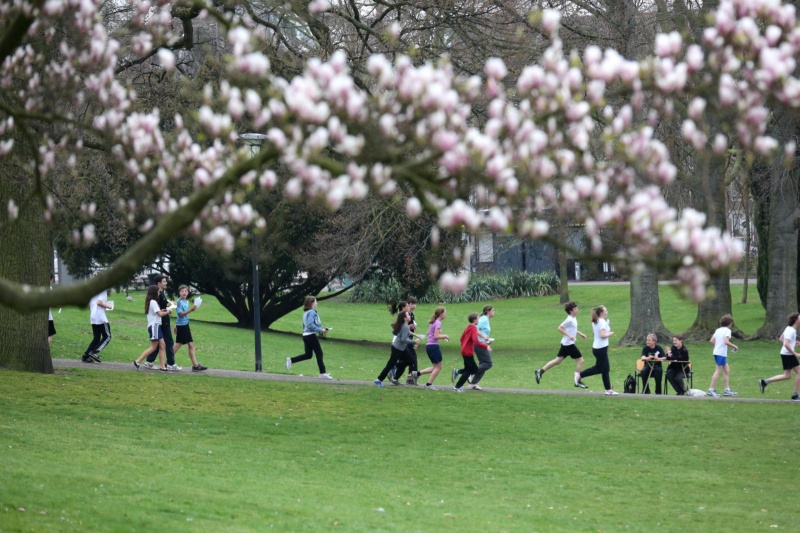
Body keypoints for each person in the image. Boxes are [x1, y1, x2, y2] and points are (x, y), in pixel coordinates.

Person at [535, 301, 587, 388]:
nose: (577, 310)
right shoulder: (569, 319)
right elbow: (559, 328)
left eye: (577, 308)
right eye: (575, 309)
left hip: (565, 344)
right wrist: (569, 335)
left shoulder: (573, 318)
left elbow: (572, 329)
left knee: (558, 361)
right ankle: (577, 381)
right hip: (569, 344)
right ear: (571, 311)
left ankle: (540, 372)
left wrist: (580, 333)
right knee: (580, 361)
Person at [286, 296, 333, 379]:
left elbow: (305, 325)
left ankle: (291, 360)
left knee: (308, 355)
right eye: (315, 302)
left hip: (305, 335)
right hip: (311, 335)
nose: (317, 303)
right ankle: (322, 373)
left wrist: (320, 329)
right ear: (312, 303)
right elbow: (310, 324)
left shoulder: (306, 313)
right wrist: (321, 330)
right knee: (319, 353)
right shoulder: (312, 312)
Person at [759, 313, 800, 401]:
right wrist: (795, 353)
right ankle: (795, 395)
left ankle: (764, 382)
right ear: (796, 320)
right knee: (799, 373)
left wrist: (793, 343)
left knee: (787, 375)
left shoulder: (789, 328)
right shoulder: (791, 330)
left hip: (786, 354)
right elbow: (785, 343)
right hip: (788, 354)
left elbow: (781, 339)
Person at [143, 275, 180, 370]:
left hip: (162, 320)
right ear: (158, 283)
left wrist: (170, 305)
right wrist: (168, 309)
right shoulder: (157, 294)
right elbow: (158, 310)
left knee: (160, 343)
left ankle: (149, 361)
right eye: (164, 281)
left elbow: (161, 306)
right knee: (168, 342)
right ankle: (170, 364)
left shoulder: (161, 293)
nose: (166, 283)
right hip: (161, 321)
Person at [579, 305, 618, 395]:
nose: (607, 311)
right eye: (605, 310)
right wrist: (610, 334)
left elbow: (594, 332)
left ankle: (608, 390)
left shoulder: (596, 321)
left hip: (597, 348)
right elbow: (602, 335)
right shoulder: (602, 322)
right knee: (600, 368)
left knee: (605, 369)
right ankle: (580, 375)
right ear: (601, 313)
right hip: (601, 348)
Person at [375, 310, 417, 387]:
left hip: (401, 348)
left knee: (411, 361)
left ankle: (395, 377)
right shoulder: (405, 326)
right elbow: (403, 339)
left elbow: (395, 332)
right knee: (390, 364)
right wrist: (413, 342)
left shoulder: (403, 325)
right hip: (397, 348)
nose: (410, 316)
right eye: (408, 315)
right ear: (404, 318)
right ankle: (379, 380)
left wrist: (410, 332)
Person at [133, 285, 170, 371]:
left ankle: (162, 366)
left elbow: (158, 312)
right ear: (154, 293)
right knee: (153, 347)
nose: (159, 293)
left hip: (156, 326)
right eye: (158, 292)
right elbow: (160, 314)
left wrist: (164, 311)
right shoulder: (153, 302)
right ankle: (137, 361)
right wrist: (167, 311)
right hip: (155, 326)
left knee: (162, 345)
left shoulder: (151, 302)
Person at [172, 285, 207, 372]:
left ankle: (195, 365)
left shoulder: (185, 301)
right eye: (182, 291)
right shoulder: (179, 302)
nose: (184, 292)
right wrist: (191, 310)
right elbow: (180, 314)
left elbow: (179, 316)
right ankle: (168, 362)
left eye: (186, 291)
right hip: (182, 326)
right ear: (179, 293)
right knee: (178, 344)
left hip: (185, 324)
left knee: (191, 345)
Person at [454, 313, 491, 392]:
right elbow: (476, 341)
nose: (478, 320)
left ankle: (458, 372)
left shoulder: (468, 327)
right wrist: (486, 346)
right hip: (468, 352)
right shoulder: (473, 328)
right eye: (478, 319)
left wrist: (464, 346)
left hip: (464, 351)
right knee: (470, 370)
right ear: (474, 320)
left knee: (472, 369)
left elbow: (461, 338)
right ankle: (457, 387)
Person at [707, 314, 739, 397]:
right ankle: (711, 389)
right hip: (720, 353)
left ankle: (726, 390)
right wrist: (734, 346)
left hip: (718, 352)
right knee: (718, 371)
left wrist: (718, 345)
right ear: (730, 323)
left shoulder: (718, 330)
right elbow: (726, 342)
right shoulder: (727, 331)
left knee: (727, 370)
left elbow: (711, 340)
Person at [419, 306, 449, 390]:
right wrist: (445, 336)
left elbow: (429, 333)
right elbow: (436, 336)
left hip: (429, 346)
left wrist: (441, 336)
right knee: (438, 367)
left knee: (436, 367)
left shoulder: (433, 322)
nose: (445, 314)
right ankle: (428, 385)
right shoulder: (438, 322)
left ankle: (417, 374)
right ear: (441, 314)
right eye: (445, 313)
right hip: (433, 346)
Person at [394, 297, 421, 385]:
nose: (414, 306)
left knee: (407, 360)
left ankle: (396, 378)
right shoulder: (403, 315)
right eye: (412, 304)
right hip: (404, 341)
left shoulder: (411, 314)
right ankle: (409, 378)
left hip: (408, 340)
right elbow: (399, 329)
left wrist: (414, 331)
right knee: (412, 359)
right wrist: (409, 328)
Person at [81, 287, 112, 363]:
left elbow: (88, 306)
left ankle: (86, 356)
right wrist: (108, 306)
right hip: (100, 317)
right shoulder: (103, 290)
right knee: (107, 337)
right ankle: (94, 352)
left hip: (93, 316)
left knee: (96, 338)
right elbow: (99, 302)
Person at [468, 305, 496, 390]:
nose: (494, 312)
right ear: (488, 311)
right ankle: (469, 372)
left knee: (483, 364)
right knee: (488, 363)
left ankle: (473, 384)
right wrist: (483, 337)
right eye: (493, 310)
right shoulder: (483, 319)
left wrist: (487, 340)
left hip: (481, 343)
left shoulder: (485, 319)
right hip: (479, 344)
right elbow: (474, 328)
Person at [48, 273, 57, 345]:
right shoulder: (49, 289)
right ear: (51, 279)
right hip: (48, 316)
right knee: (51, 334)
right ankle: (44, 348)